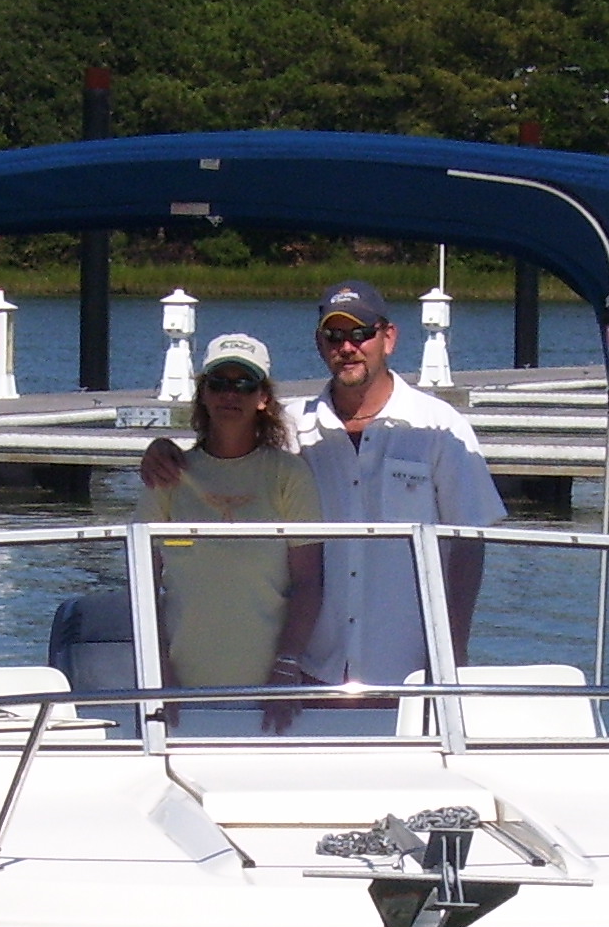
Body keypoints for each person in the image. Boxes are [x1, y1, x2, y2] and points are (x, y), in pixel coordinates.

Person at [141, 282, 502, 688]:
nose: (347, 347)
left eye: (360, 334)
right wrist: (162, 452)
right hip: (311, 671)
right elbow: (223, 454)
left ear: (389, 337)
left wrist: (452, 650)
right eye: (334, 336)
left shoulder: (441, 427)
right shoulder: (291, 428)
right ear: (320, 343)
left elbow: (469, 544)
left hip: (411, 670)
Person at [131, 333, 324, 712]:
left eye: (244, 384)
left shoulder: (289, 475)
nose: (230, 395)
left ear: (263, 398)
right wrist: (158, 671)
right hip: (177, 690)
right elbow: (142, 582)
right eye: (218, 383)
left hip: (268, 691)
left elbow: (308, 583)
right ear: (203, 394)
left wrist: (286, 667)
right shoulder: (170, 473)